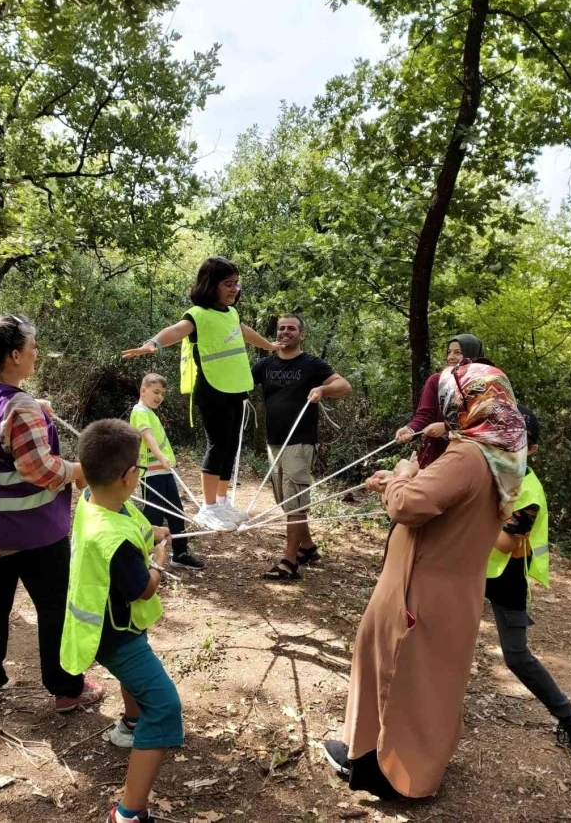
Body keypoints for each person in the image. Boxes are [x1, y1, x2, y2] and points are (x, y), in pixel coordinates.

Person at [324, 359, 527, 799]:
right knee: (433, 682)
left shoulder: (468, 455)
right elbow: (443, 500)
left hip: (421, 589)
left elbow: (408, 506)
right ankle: (411, 763)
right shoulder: (502, 454)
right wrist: (406, 481)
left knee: (397, 675)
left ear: (468, 401)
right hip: (454, 590)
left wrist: (400, 476)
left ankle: (387, 775)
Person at [0, 315, 104, 712]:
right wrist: (81, 472)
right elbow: (43, 471)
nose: (36, 355)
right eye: (32, 349)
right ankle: (67, 689)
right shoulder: (20, 409)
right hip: (27, 534)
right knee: (53, 606)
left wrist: (31, 406)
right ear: (15, 355)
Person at [60, 419, 183, 823]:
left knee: (142, 691)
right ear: (130, 475)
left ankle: (131, 724)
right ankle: (128, 813)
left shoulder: (96, 501)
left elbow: (131, 523)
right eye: (140, 469)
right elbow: (145, 587)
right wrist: (161, 561)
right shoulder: (111, 542)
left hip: (117, 626)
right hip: (116, 636)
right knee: (164, 707)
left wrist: (156, 532)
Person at [122, 256, 280, 531]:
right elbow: (177, 330)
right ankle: (207, 508)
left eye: (236, 283)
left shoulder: (231, 313)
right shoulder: (198, 314)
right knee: (217, 445)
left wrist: (269, 345)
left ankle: (221, 501)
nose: (234, 288)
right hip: (212, 387)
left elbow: (244, 332)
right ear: (211, 285)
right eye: (228, 283)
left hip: (235, 386)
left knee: (231, 446)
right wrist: (153, 343)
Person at [486, 405, 571, 762]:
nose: (506, 443)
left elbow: (505, 543)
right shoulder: (482, 469)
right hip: (467, 570)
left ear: (530, 449)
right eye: (501, 435)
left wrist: (466, 515)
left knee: (517, 657)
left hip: (505, 576)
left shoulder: (528, 491)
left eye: (517, 439)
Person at [252, 314, 351, 581]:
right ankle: (307, 548)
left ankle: (289, 561)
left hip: (300, 442)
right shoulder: (265, 364)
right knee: (286, 501)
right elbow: (241, 383)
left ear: (301, 335)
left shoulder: (311, 364)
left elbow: (344, 385)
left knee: (294, 503)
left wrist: (322, 389)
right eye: (282, 328)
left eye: (292, 329)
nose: (285, 332)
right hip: (274, 442)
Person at [129, 373, 204, 571]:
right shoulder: (139, 411)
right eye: (155, 392)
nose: (159, 397)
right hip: (151, 473)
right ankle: (146, 556)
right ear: (142, 390)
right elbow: (148, 436)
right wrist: (161, 457)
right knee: (153, 514)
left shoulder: (150, 412)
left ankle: (180, 553)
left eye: (162, 393)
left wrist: (165, 462)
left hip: (163, 472)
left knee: (176, 511)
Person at [395, 333, 485, 467]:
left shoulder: (485, 384)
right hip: (436, 454)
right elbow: (425, 415)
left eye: (458, 352)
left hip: (472, 455)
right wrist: (410, 429)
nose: (451, 357)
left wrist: (446, 427)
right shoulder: (437, 381)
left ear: (472, 355)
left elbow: (484, 420)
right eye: (449, 352)